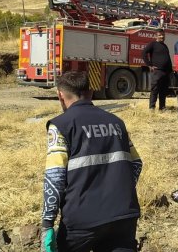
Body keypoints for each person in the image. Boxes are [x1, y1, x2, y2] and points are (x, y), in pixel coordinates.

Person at [40, 71, 143, 252]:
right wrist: (117, 191)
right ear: (91, 92)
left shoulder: (60, 126)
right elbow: (136, 164)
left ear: (60, 95)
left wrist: (47, 223)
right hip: (123, 214)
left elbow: (55, 177)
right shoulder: (117, 122)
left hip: (82, 220)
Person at [143, 29, 172, 111]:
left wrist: (170, 70)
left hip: (165, 72)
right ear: (155, 36)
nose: (162, 36)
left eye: (163, 35)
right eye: (159, 35)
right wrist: (149, 65)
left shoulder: (165, 46)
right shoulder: (153, 44)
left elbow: (168, 58)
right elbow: (144, 53)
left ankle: (162, 107)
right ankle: (152, 108)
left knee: (163, 91)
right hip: (157, 71)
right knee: (155, 90)